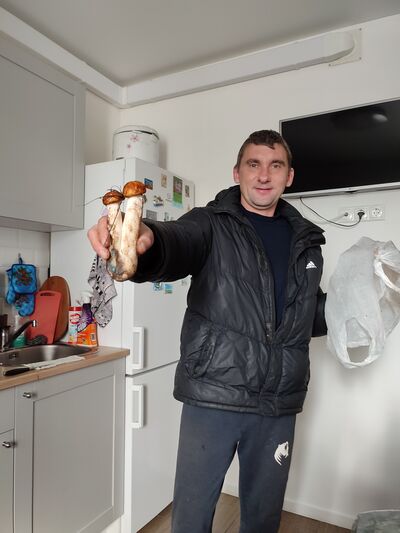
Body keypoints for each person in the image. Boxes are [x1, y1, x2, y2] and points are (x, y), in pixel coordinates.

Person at [88, 130, 327, 533]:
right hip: (214, 394)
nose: (263, 175)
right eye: (253, 164)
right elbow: (176, 242)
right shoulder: (210, 223)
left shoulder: (307, 241)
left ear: (289, 176)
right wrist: (148, 240)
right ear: (237, 172)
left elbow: (308, 317)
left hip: (278, 402)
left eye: (275, 165)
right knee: (192, 516)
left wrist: (354, 307)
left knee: (264, 518)